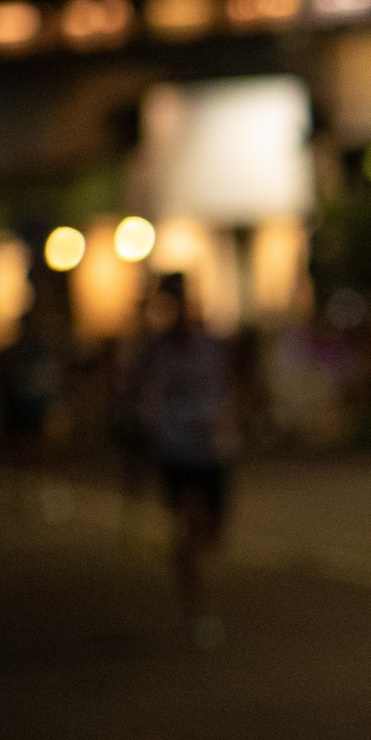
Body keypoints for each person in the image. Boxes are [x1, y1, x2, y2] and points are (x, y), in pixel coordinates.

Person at [134, 273, 239, 648]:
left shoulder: (212, 344)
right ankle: (198, 605)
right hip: (175, 446)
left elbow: (230, 385)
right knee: (185, 526)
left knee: (213, 532)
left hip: (213, 447)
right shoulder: (154, 349)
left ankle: (193, 572)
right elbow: (137, 390)